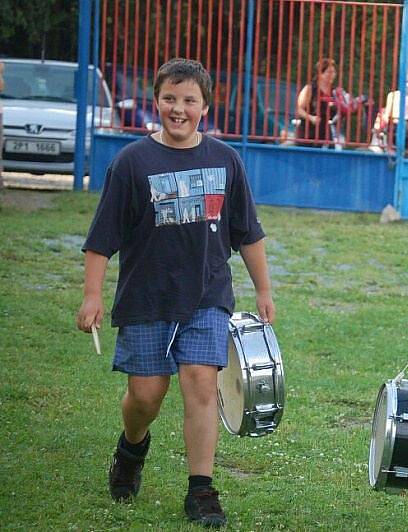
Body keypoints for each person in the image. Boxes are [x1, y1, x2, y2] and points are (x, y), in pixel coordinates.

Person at [76, 58, 276, 528]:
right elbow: (102, 236)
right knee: (146, 396)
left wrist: (264, 288)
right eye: (170, 98)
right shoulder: (132, 163)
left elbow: (248, 231)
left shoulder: (225, 160)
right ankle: (132, 448)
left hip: (206, 295)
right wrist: (92, 295)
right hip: (146, 297)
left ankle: (201, 491)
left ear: (205, 106)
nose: (178, 109)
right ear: (157, 101)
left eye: (189, 100)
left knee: (202, 385)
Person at [371, 66, 408, 152]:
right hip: (392, 128)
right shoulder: (392, 95)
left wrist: (396, 116)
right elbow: (387, 115)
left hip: (407, 130)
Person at [295, 58, 339, 147]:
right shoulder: (310, 89)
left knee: (330, 154)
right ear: (320, 74)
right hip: (307, 132)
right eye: (329, 72)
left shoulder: (333, 91)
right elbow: (299, 109)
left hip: (324, 131)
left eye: (334, 72)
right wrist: (311, 118)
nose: (332, 75)